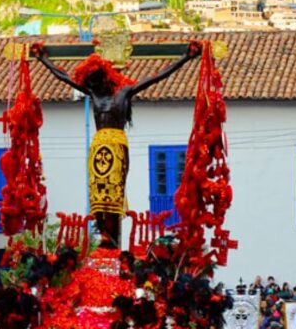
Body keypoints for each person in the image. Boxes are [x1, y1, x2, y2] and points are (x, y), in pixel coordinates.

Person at [30, 41, 200, 247]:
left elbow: (157, 77)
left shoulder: (124, 92)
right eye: (90, 82)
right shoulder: (93, 94)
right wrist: (43, 60)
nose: (93, 85)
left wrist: (185, 58)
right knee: (97, 189)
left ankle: (110, 235)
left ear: (106, 77)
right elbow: (64, 78)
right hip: (99, 144)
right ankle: (103, 233)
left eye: (96, 80)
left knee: (114, 189)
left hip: (117, 144)